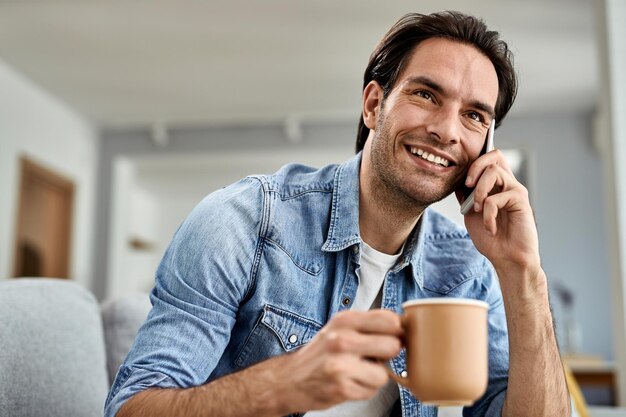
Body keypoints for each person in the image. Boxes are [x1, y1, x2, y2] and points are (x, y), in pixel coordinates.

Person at [105, 11, 570, 417]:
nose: (447, 130)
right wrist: (283, 384)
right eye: (426, 95)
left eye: (474, 116)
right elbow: (132, 408)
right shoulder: (242, 221)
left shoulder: (471, 274)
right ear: (373, 105)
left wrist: (523, 270)